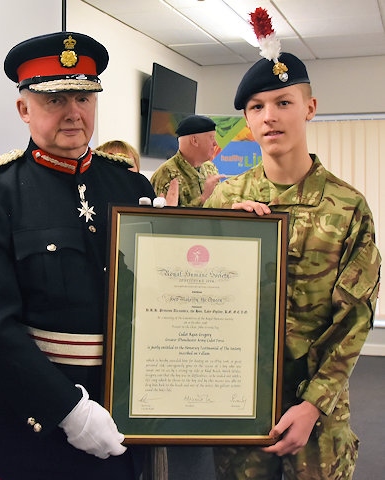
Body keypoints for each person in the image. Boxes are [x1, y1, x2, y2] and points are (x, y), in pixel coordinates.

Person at [0, 31, 157, 480]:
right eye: (54, 99)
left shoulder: (132, 187)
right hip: (37, 425)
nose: (73, 112)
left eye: (84, 97)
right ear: (24, 109)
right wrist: (67, 410)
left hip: (129, 412)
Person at [204, 12, 381, 480]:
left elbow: (354, 317)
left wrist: (312, 404)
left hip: (316, 410)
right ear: (246, 119)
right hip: (240, 399)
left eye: (283, 102)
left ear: (310, 107)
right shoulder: (225, 198)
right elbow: (196, 294)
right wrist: (220, 232)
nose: (270, 116)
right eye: (257, 107)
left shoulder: (347, 206)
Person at [150, 114, 224, 207]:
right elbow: (163, 218)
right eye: (211, 138)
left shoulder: (210, 168)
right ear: (194, 141)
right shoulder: (166, 174)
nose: (215, 143)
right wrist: (203, 199)